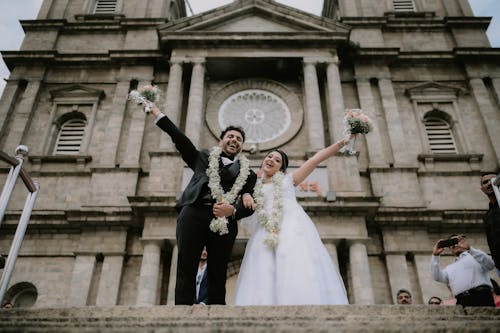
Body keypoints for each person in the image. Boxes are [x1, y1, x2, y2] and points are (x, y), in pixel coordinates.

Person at [147, 103, 257, 305]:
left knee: (218, 269)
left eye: (239, 139)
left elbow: (251, 204)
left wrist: (232, 210)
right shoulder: (202, 158)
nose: (234, 140)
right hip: (194, 213)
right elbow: (179, 138)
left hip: (224, 221)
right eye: (230, 137)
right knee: (186, 265)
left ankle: (216, 313)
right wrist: (156, 112)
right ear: (220, 141)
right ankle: (183, 313)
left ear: (242, 146)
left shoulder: (248, 174)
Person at [234, 138, 350, 305]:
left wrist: (342, 143)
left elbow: (316, 159)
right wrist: (245, 196)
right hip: (264, 232)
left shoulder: (288, 180)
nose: (271, 160)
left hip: (291, 229)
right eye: (269, 156)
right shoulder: (254, 188)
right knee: (263, 269)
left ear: (282, 168)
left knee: (291, 264)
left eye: (277, 160)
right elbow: (244, 206)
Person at [430, 234, 495, 307]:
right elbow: (437, 277)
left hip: (481, 296)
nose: (454, 245)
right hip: (461, 300)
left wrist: (470, 249)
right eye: (451, 244)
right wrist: (435, 256)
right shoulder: (450, 268)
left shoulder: (476, 257)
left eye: (456, 241)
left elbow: (490, 264)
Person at [480, 173, 500, 277]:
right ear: (482, 189)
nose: (489, 183)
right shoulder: (487, 216)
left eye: (493, 180)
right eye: (485, 182)